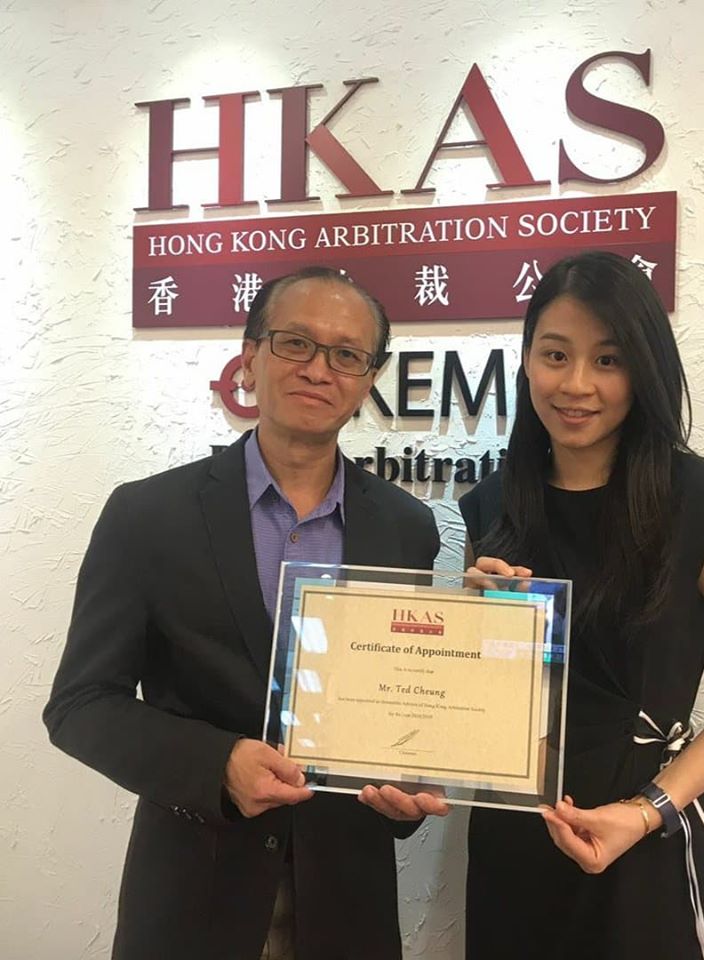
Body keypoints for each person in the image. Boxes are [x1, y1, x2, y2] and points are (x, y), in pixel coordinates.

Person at [43, 266, 442, 960]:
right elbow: (80, 704)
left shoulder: (406, 528)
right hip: (192, 899)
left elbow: (397, 696)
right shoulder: (148, 515)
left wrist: (407, 781)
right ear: (250, 356)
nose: (318, 369)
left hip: (348, 903)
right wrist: (216, 764)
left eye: (346, 354)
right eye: (295, 343)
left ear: (369, 378)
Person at [458, 251, 704, 960]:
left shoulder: (701, 500)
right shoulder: (493, 505)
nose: (576, 384)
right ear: (526, 361)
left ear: (644, 369)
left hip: (640, 836)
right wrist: (470, 631)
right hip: (513, 844)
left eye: (608, 360)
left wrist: (648, 811)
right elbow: (487, 701)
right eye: (555, 354)